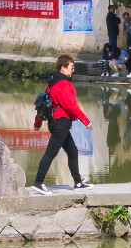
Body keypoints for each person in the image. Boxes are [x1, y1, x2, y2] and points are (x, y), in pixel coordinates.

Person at [31, 55, 92, 192]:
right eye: (71, 67)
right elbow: (71, 106)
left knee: (72, 151)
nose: (73, 70)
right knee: (50, 153)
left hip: (55, 123)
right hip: (61, 124)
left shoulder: (50, 84)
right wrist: (86, 121)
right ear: (63, 68)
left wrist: (37, 123)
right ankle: (38, 182)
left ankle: (77, 182)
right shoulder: (64, 84)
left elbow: (42, 104)